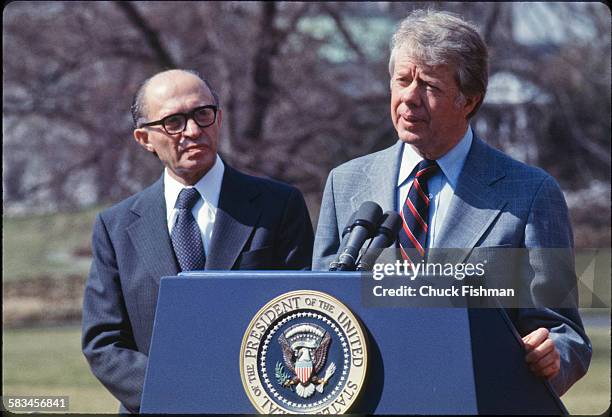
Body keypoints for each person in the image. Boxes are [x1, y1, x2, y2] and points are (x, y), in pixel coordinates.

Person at [312, 10, 590, 396]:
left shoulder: (529, 194)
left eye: (429, 85)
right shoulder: (345, 184)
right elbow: (321, 307)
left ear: (470, 100)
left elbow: (566, 334)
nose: (410, 97)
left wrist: (551, 354)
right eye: (402, 80)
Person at [82, 69, 314, 413]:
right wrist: (179, 394)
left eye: (202, 115)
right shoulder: (115, 227)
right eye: (173, 122)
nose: (192, 131)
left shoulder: (277, 206)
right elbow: (103, 342)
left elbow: (304, 313)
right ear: (144, 138)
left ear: (218, 119)